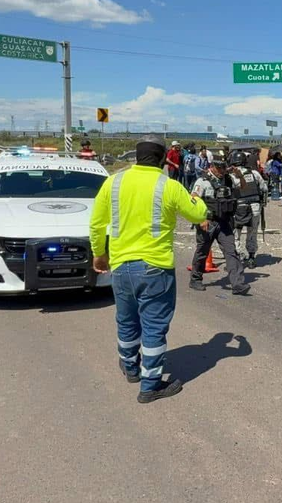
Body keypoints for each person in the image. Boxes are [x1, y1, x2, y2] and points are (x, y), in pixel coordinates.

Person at [90, 134, 208, 404]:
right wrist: (196, 197)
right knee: (154, 326)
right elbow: (199, 214)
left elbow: (97, 223)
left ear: (136, 155)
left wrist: (99, 255)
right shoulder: (168, 186)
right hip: (155, 268)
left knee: (126, 319)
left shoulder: (114, 182)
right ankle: (150, 384)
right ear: (163, 158)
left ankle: (130, 367)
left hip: (120, 266)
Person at [189, 158, 251, 295]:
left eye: (224, 168)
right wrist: (201, 218)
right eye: (220, 168)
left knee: (231, 251)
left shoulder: (227, 179)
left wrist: (239, 175)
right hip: (208, 222)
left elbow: (243, 187)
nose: (222, 171)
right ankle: (195, 279)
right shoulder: (203, 181)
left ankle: (237, 284)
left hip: (224, 222)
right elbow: (193, 199)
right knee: (202, 251)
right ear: (212, 167)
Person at [228, 149, 265, 269]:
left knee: (236, 233)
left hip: (239, 207)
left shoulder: (231, 176)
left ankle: (238, 256)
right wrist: (262, 204)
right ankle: (251, 257)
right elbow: (264, 189)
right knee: (252, 232)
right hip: (255, 207)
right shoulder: (255, 173)